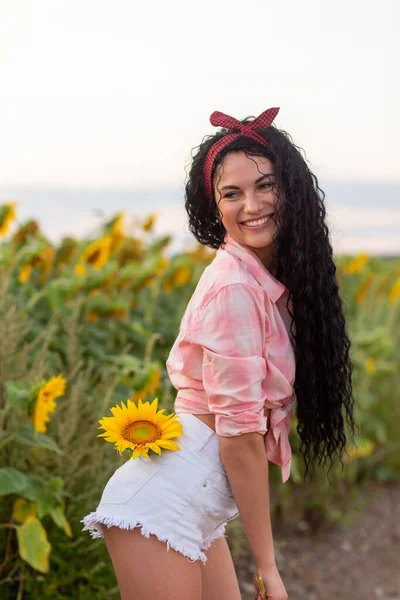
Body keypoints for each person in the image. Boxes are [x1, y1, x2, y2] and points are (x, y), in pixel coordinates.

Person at [82, 107, 356, 600]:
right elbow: (238, 438)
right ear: (215, 206)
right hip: (158, 507)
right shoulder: (234, 287)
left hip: (195, 507)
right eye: (232, 193)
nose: (251, 204)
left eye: (265, 185)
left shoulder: (268, 281)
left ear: (290, 188)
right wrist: (268, 567)